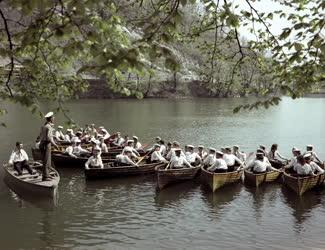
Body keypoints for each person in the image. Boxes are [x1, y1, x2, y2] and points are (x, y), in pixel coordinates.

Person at [38, 112, 59, 181]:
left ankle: (47, 174)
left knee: (46, 160)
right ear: (51, 119)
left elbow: (40, 135)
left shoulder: (44, 126)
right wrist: (55, 145)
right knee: (46, 161)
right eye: (53, 117)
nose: (54, 118)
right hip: (46, 144)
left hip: (43, 143)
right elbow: (49, 137)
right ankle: (45, 177)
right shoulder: (49, 127)